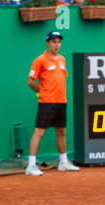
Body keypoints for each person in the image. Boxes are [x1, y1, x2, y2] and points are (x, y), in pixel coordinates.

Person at [26, 31, 80, 176]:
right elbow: (30, 81)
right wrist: (40, 92)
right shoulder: (40, 60)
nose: (56, 45)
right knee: (39, 132)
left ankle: (63, 163)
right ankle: (31, 166)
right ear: (47, 43)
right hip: (47, 102)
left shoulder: (62, 59)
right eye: (53, 42)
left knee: (61, 131)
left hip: (61, 101)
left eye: (58, 42)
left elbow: (60, 79)